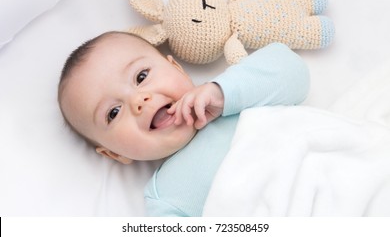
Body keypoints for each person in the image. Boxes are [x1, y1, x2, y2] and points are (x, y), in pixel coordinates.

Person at [58, 31, 310, 216]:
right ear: (115, 154)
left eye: (141, 76)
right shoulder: (166, 196)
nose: (138, 100)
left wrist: (223, 93)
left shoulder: (235, 93)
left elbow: (294, 72)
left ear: (176, 68)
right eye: (113, 112)